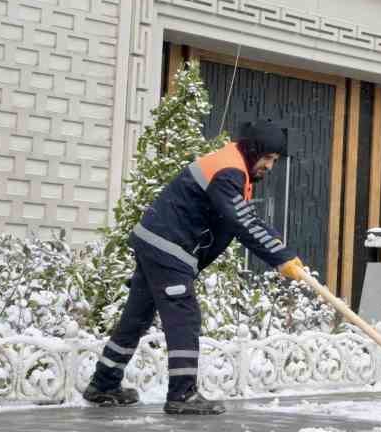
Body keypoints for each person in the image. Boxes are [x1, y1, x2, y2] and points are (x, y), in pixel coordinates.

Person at [84, 120, 304, 415]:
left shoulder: (233, 167)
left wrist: (282, 251)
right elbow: (243, 223)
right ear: (254, 151)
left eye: (274, 161)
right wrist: (280, 257)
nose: (270, 166)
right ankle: (182, 394)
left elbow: (246, 218)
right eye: (268, 158)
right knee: (184, 316)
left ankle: (103, 383)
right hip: (168, 247)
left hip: (157, 243)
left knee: (136, 317)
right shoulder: (229, 171)